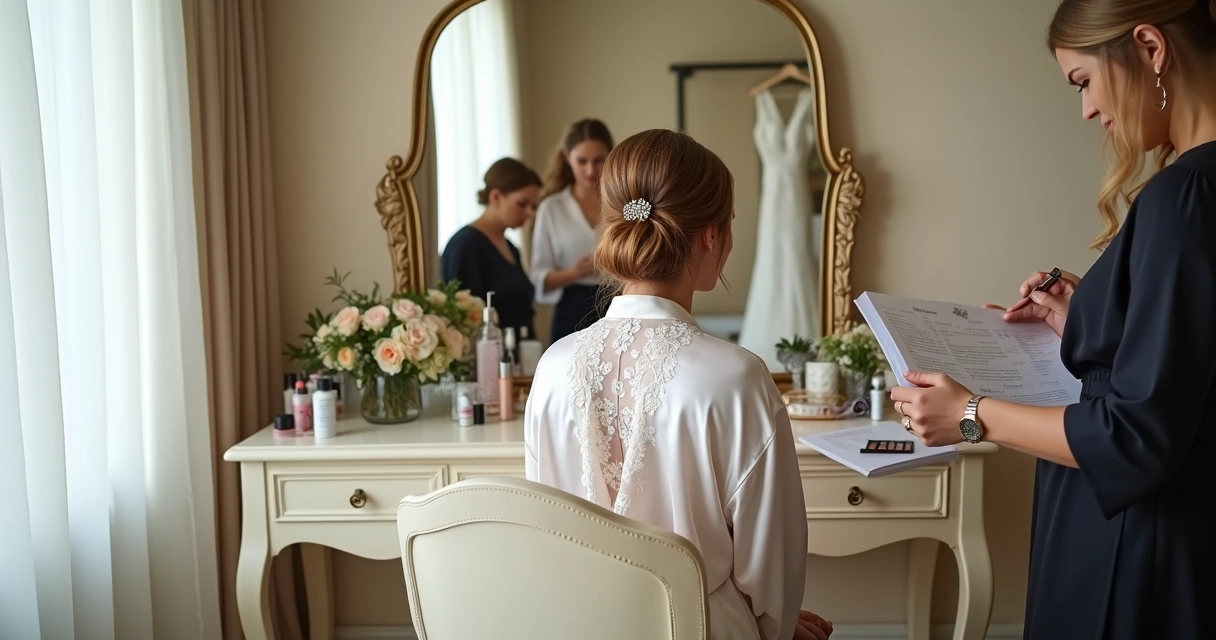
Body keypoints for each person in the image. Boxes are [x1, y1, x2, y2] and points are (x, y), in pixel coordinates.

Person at [890, 2, 1216, 638]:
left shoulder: (1183, 200)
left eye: (1083, 81)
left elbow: (1136, 439)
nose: (1088, 111)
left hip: (1134, 550)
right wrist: (1087, 325)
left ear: (1151, 48)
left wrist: (970, 414)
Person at [524, 129, 832, 640]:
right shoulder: (738, 378)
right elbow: (771, 571)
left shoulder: (553, 366)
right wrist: (768, 629)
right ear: (712, 235)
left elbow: (545, 532)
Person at [530, 118, 614, 343]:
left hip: (618, 306)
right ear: (567, 157)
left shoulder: (622, 203)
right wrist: (576, 272)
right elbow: (539, 277)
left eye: (598, 160)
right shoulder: (552, 207)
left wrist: (612, 263)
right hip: (570, 312)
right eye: (582, 161)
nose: (590, 170)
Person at [441, 158, 540, 339]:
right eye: (522, 203)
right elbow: (462, 319)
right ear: (495, 197)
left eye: (533, 206)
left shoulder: (511, 248)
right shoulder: (466, 245)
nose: (530, 213)